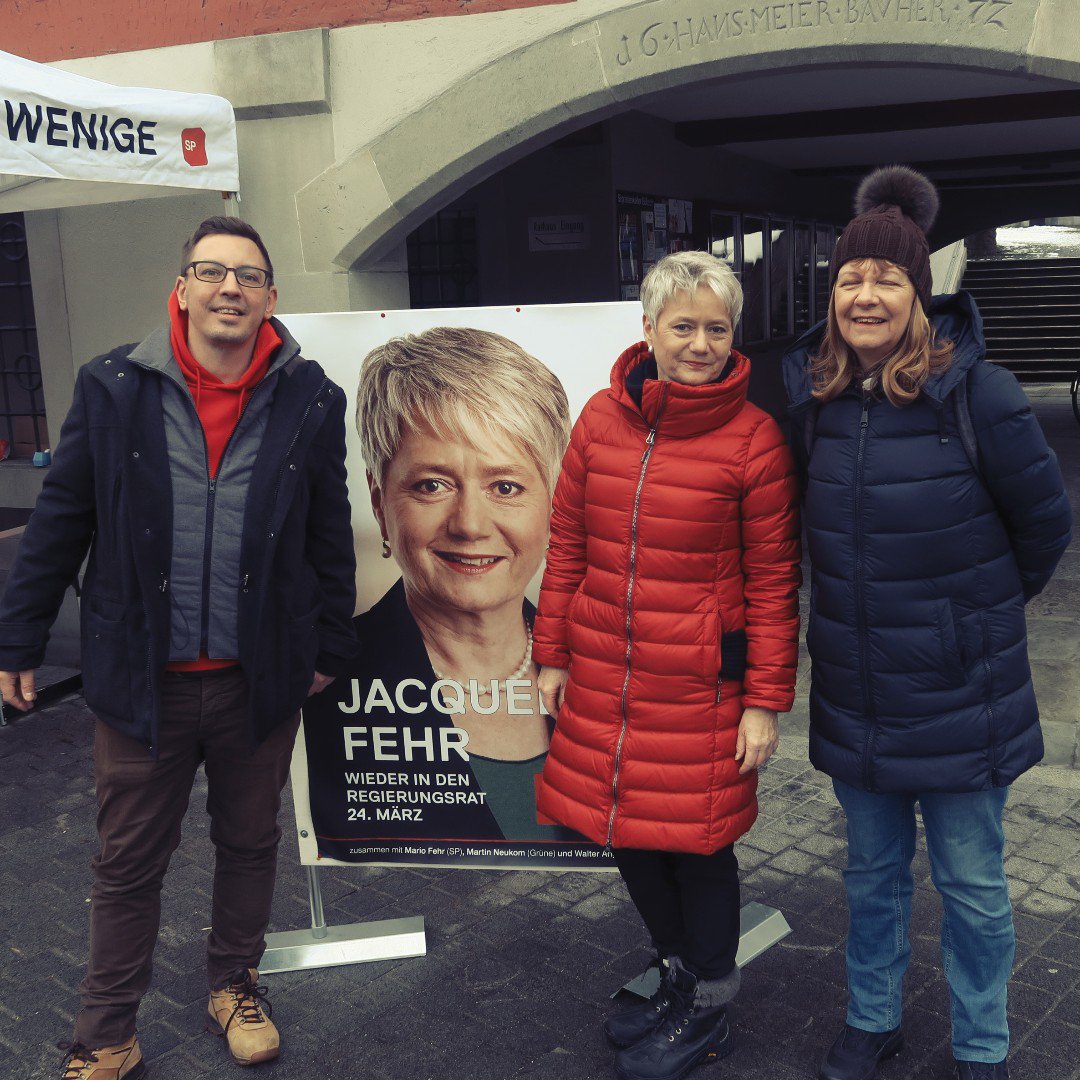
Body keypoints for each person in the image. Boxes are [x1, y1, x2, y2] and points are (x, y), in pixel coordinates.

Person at [0, 217, 357, 1078]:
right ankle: (107, 1032)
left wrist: (328, 646)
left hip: (257, 677)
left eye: (249, 275)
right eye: (212, 271)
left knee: (247, 842)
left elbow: (327, 533)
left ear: (271, 297)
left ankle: (233, 983)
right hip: (142, 682)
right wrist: (19, 633)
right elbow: (61, 520)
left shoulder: (310, 398)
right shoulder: (113, 385)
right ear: (183, 288)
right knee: (126, 864)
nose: (230, 287)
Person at [782, 166, 1072, 1080]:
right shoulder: (814, 399)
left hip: (960, 694)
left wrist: (970, 619)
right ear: (833, 296)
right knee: (869, 879)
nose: (866, 295)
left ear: (919, 293)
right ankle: (873, 1018)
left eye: (888, 280)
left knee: (974, 886)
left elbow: (1046, 526)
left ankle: (982, 1043)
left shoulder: (977, 394)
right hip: (857, 691)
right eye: (850, 280)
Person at [534, 250, 802, 1080]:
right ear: (647, 328)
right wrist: (549, 654)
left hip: (699, 689)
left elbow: (773, 582)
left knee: (697, 843)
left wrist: (765, 701)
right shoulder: (598, 421)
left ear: (734, 336)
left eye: (715, 328)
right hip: (606, 676)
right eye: (682, 326)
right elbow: (569, 544)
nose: (699, 344)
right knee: (627, 835)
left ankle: (712, 1008)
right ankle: (679, 974)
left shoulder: (754, 439)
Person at [303, 326, 575, 849]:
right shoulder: (319, 683)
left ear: (554, 504)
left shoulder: (608, 671)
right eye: (432, 485)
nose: (470, 524)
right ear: (381, 506)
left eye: (506, 486)